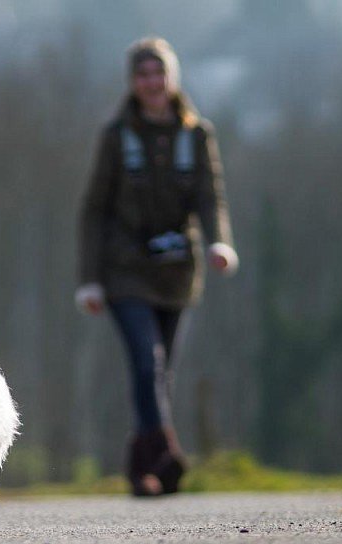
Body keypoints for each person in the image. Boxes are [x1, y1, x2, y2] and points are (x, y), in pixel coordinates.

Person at [76, 37, 238, 496]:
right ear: (133, 82)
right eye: (143, 75)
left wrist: (220, 243)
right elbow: (94, 209)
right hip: (124, 270)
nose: (152, 83)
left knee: (160, 372)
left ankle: (140, 468)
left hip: (177, 270)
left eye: (159, 73)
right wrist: (89, 280)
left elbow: (211, 196)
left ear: (172, 78)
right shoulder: (115, 136)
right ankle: (166, 457)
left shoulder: (197, 134)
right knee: (147, 363)